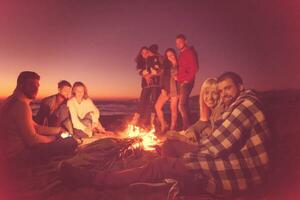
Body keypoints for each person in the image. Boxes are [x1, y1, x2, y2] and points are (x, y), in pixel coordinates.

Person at [60, 72, 270, 198]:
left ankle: (95, 179)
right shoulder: (236, 104)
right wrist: (180, 141)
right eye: (220, 90)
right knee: (169, 146)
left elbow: (214, 147)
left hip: (236, 171)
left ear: (240, 87)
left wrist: (177, 160)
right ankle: (174, 179)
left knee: (160, 164)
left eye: (227, 89)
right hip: (222, 158)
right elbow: (210, 136)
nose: (222, 94)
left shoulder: (246, 104)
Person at [0, 71, 78, 164]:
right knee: (70, 142)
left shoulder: (12, 100)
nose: (36, 89)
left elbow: (36, 127)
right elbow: (32, 140)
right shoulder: (21, 106)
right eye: (32, 85)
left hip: (10, 154)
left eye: (37, 86)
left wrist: (58, 130)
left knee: (62, 137)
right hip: (17, 157)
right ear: (21, 85)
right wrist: (53, 138)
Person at [131, 46, 162, 128]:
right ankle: (135, 121)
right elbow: (140, 72)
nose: (145, 54)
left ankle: (153, 123)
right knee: (142, 101)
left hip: (155, 83)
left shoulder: (154, 58)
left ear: (149, 52)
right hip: (145, 85)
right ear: (140, 54)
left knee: (154, 102)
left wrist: (149, 75)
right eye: (143, 53)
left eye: (146, 52)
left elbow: (158, 70)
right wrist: (146, 76)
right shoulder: (140, 62)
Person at [175, 34, 199, 130]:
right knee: (184, 105)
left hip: (186, 82)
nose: (178, 44)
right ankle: (189, 126)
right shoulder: (181, 54)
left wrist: (186, 80)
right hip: (181, 81)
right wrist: (178, 77)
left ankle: (187, 128)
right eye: (176, 43)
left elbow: (195, 68)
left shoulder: (189, 52)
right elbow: (182, 69)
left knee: (181, 105)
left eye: (180, 42)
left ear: (185, 41)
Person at [155, 48, 179, 133]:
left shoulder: (179, 64)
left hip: (176, 89)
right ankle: (163, 124)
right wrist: (162, 88)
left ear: (175, 54)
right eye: (168, 56)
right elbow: (161, 79)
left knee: (173, 109)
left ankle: (172, 129)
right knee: (157, 106)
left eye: (171, 55)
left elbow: (184, 76)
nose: (170, 57)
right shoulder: (166, 66)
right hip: (166, 89)